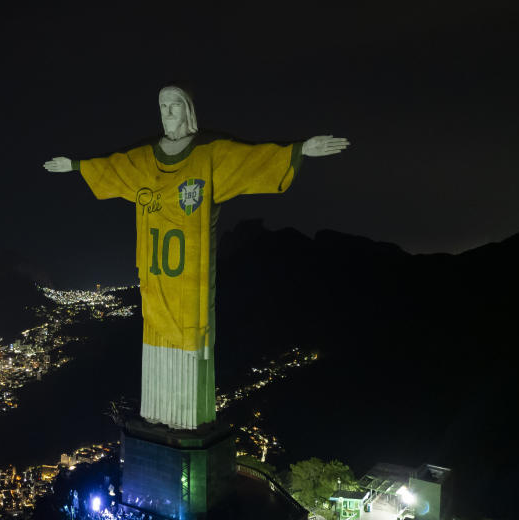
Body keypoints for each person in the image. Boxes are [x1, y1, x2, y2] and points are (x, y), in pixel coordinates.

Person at [44, 86, 348, 428]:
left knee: (192, 337)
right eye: (162, 106)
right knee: (153, 334)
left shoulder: (209, 153)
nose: (167, 112)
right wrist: (74, 165)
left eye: (174, 105)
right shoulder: (146, 158)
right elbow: (114, 167)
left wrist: (300, 150)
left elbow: (251, 159)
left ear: (187, 110)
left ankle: (188, 419)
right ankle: (157, 414)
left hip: (190, 275)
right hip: (156, 274)